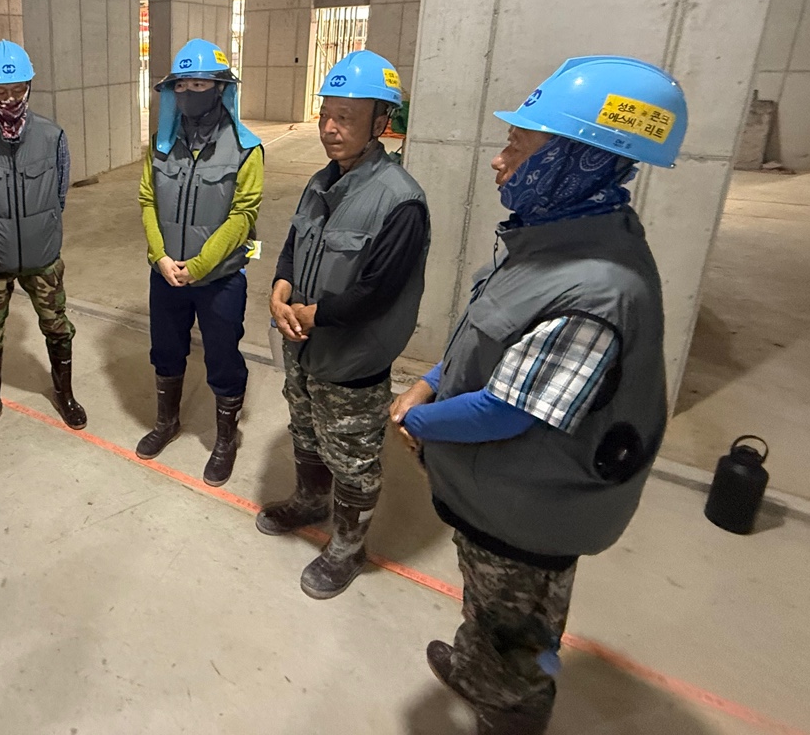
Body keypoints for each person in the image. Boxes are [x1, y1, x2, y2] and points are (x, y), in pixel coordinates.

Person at [391, 56, 687, 735]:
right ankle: (479, 666)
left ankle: (512, 707)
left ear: (578, 161)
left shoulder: (599, 289)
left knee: (516, 624)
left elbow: (504, 409)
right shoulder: (557, 239)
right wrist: (431, 378)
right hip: (502, 492)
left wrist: (417, 420)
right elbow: (488, 334)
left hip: (531, 508)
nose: (499, 162)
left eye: (517, 148)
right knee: (490, 608)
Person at [259, 50, 429, 599]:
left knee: (352, 456)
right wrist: (280, 289)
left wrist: (313, 315)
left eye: (346, 118)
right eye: (326, 114)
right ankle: (311, 500)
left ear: (381, 123)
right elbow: (294, 245)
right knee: (306, 429)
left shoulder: (400, 201)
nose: (330, 128)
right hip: (302, 345)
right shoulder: (319, 181)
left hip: (352, 356)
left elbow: (378, 292)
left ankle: (348, 547)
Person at [135, 39, 263, 486]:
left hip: (220, 279)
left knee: (223, 358)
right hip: (166, 274)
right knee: (166, 351)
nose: (190, 93)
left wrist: (201, 265)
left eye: (200, 85)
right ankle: (167, 422)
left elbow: (243, 214)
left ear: (221, 88)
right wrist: (160, 257)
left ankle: (226, 440)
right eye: (183, 86)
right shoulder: (161, 144)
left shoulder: (246, 148)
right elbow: (148, 200)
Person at [0, 40, 84, 443]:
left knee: (57, 326)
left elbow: (59, 194)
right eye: (1, 89)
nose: (10, 98)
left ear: (29, 86)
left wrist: (36, 228)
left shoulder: (51, 135)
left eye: (17, 89)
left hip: (42, 256)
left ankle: (65, 395)